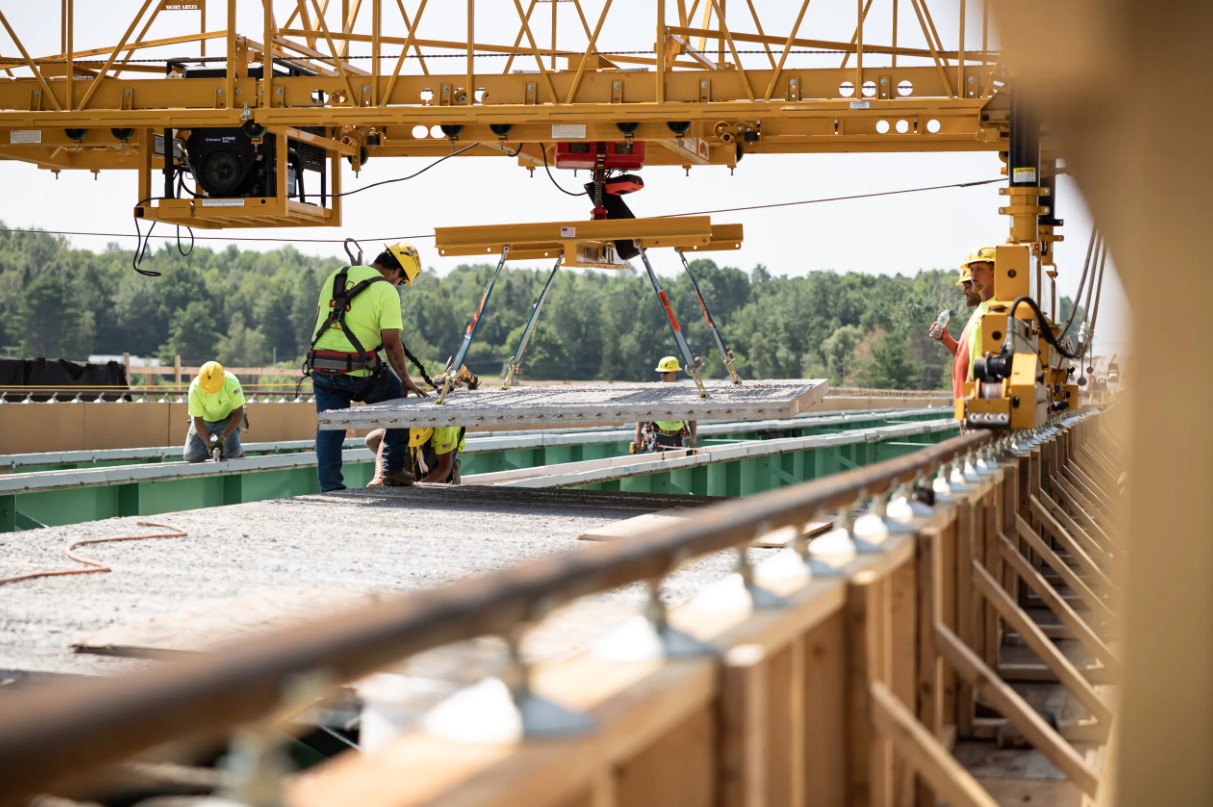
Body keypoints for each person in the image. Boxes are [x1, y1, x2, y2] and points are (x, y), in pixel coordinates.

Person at [306, 242, 429, 492]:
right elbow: (391, 342)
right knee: (399, 401)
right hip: (359, 371)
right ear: (396, 272)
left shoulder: (337, 275)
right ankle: (393, 470)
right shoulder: (386, 290)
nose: (399, 286)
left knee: (330, 424)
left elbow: (320, 317)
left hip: (322, 368)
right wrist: (405, 379)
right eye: (402, 281)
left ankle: (330, 488)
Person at [944, 247, 998, 400]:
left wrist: (968, 400)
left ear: (993, 272)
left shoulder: (997, 310)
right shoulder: (980, 311)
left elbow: (981, 365)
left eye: (979, 269)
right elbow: (970, 357)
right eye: (972, 269)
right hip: (973, 399)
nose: (974, 274)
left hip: (981, 399)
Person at [631, 356, 698, 453]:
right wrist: (637, 434)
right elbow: (642, 411)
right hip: (658, 437)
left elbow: (692, 415)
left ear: (675, 372)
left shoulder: (684, 393)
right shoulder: (653, 392)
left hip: (677, 438)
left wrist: (693, 437)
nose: (663, 375)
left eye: (665, 372)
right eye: (661, 372)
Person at [183, 360, 245, 462]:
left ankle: (239, 451)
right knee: (192, 456)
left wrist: (223, 438)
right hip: (204, 422)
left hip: (227, 420)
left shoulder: (232, 382)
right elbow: (198, 420)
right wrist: (209, 446)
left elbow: (239, 413)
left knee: (232, 454)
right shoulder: (195, 388)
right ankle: (214, 451)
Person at [365, 425, 466, 485]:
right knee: (372, 439)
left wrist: (420, 486)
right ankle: (405, 474)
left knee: (434, 469)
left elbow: (444, 467)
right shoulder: (402, 421)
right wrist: (378, 476)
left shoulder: (443, 428)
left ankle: (449, 478)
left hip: (441, 445)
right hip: (410, 435)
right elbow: (385, 446)